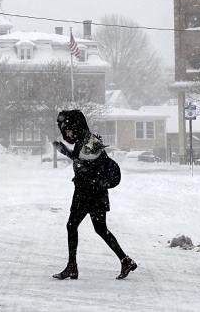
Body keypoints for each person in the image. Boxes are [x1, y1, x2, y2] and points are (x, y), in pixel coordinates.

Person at [51, 109, 137, 281]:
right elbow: (84, 161)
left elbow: (89, 164)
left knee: (71, 225)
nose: (66, 133)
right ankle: (125, 260)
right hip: (95, 192)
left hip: (87, 192)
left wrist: (71, 156)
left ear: (75, 126)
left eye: (67, 129)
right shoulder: (86, 140)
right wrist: (66, 152)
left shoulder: (89, 142)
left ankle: (72, 267)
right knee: (100, 229)